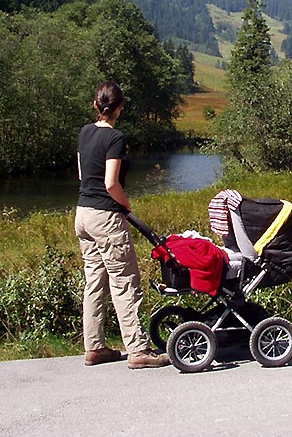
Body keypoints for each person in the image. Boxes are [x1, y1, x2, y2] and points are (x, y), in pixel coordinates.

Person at [74, 81, 170, 369]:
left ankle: (94, 347)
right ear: (120, 108)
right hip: (106, 216)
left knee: (94, 281)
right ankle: (138, 349)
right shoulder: (115, 138)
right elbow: (110, 182)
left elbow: (83, 174)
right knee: (125, 281)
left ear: (95, 105)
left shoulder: (84, 132)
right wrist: (125, 204)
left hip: (82, 214)